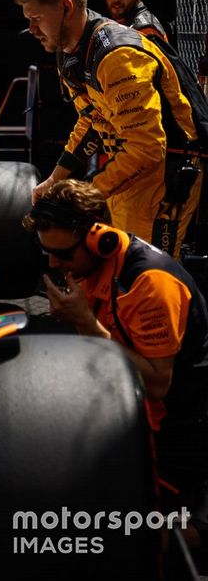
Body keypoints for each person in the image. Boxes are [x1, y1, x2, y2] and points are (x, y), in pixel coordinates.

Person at [25, 179, 208, 550]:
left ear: (99, 239)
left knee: (104, 539)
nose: (53, 263)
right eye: (46, 251)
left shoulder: (150, 284)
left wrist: (83, 322)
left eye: (62, 254)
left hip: (181, 427)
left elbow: (158, 383)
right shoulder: (92, 269)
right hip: (131, 408)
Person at [15, 0, 202, 257]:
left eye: (36, 17)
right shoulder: (73, 51)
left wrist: (87, 193)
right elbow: (92, 120)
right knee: (115, 265)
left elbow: (148, 149)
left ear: (66, 8)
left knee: (145, 274)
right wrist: (56, 179)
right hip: (128, 168)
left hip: (166, 173)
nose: (31, 28)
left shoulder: (117, 56)